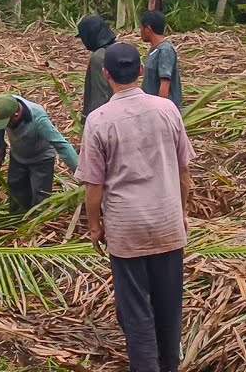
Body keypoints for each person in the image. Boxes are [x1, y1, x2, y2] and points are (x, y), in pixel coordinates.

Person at [76, 43, 196, 372]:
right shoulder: (167, 110)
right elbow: (184, 171)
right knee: (169, 310)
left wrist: (95, 227)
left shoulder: (99, 121)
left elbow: (94, 187)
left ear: (106, 74)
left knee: (137, 315)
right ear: (141, 72)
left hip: (126, 231)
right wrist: (182, 213)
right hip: (167, 223)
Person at [0, 93, 79, 214]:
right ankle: (17, 220)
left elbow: (62, 146)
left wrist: (80, 171)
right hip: (18, 156)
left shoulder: (38, 119)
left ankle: (38, 225)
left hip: (41, 159)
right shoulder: (3, 105)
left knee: (40, 197)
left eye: (6, 122)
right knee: (16, 191)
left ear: (16, 115)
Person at [76, 15, 117, 123]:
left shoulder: (99, 57)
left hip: (105, 120)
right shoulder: (121, 50)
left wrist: (92, 122)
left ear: (90, 35)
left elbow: (99, 95)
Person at [140, 10, 182, 109]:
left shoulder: (165, 50)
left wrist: (162, 110)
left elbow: (165, 83)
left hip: (160, 109)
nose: (140, 32)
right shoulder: (154, 50)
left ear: (148, 29)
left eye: (141, 28)